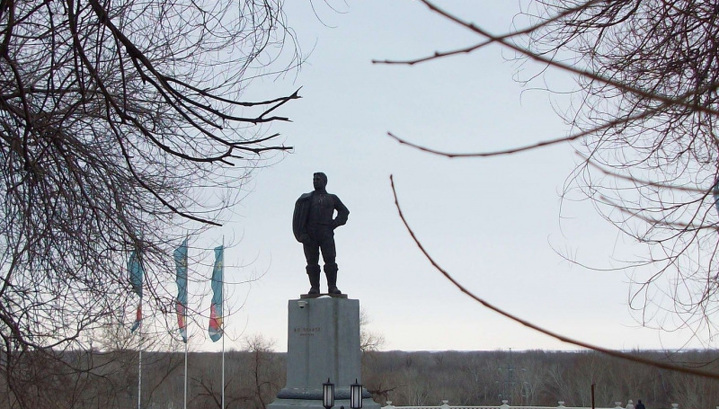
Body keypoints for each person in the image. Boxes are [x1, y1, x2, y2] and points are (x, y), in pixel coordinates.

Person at [293, 172, 349, 295]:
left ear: (324, 181)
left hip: (326, 232)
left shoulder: (332, 198)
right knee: (312, 261)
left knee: (330, 259)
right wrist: (302, 234)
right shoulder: (307, 198)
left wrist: (335, 223)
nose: (315, 181)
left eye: (318, 179)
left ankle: (332, 286)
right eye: (314, 179)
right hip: (310, 234)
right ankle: (314, 287)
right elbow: (298, 217)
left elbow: (344, 212)